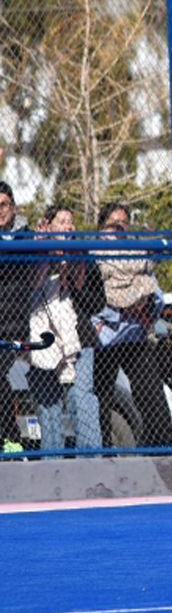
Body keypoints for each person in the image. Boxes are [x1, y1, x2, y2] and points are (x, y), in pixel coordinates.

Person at [92, 202, 172, 447]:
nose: (118, 229)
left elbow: (154, 292)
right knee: (101, 395)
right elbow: (95, 298)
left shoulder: (139, 256)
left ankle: (161, 447)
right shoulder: (93, 256)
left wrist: (145, 306)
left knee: (150, 392)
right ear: (100, 228)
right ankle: (103, 449)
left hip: (135, 334)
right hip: (105, 337)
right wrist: (122, 307)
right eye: (112, 224)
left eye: (123, 224)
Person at [26, 205, 105, 454]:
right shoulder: (32, 254)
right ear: (48, 226)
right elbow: (25, 291)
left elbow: (97, 302)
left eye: (71, 222)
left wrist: (70, 272)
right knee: (48, 406)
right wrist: (43, 256)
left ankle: (90, 458)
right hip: (42, 337)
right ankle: (52, 461)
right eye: (61, 221)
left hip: (78, 339)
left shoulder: (83, 257)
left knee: (82, 400)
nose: (68, 226)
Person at [0, 179, 33, 452]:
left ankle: (11, 439)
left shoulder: (24, 237)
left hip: (13, 324)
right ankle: (10, 437)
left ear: (14, 207)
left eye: (4, 205)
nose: (0, 211)